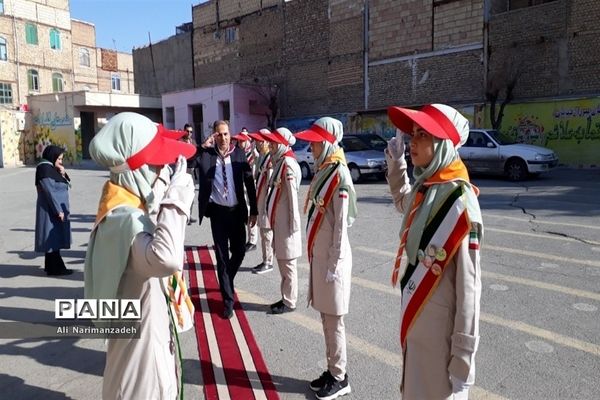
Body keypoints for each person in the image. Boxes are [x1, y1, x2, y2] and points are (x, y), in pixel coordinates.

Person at [84, 112, 196, 400]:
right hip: (141, 378)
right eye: (156, 164)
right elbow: (166, 258)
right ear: (136, 169)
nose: (162, 169)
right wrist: (176, 199)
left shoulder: (126, 204)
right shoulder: (124, 221)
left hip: (149, 353)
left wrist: (157, 197)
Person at [385, 104, 483, 400]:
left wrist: (463, 361)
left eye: (423, 134)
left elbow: (470, 290)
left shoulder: (460, 202)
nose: (413, 140)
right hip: (418, 327)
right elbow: (404, 203)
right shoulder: (426, 187)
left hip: (442, 342)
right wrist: (397, 164)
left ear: (442, 144)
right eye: (413, 133)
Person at [294, 118, 357, 400]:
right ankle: (333, 369)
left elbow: (342, 225)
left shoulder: (339, 174)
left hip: (334, 261)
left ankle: (340, 377)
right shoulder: (324, 170)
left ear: (328, 141)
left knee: (334, 321)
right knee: (326, 319)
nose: (311, 145)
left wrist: (333, 265)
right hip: (322, 259)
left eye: (315, 140)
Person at [193, 120, 258, 319]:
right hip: (218, 214)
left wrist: (253, 210)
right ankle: (227, 301)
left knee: (239, 251)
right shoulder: (206, 155)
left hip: (237, 212)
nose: (223, 138)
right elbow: (186, 162)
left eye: (226, 134)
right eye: (219, 134)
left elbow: (249, 182)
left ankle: (226, 279)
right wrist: (200, 147)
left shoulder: (238, 154)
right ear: (214, 136)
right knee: (221, 259)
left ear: (231, 134)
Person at [261, 127, 302, 314]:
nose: (271, 144)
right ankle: (286, 297)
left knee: (288, 264)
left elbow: (293, 196)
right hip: (280, 222)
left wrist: (293, 224)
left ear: (283, 143)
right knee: (283, 264)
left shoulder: (288, 163)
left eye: (274, 141)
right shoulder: (280, 161)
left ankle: (290, 301)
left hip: (287, 224)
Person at [35, 145, 73, 276]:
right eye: (59, 159)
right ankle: (56, 268)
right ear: (52, 156)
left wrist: (62, 172)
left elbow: (66, 183)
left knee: (53, 240)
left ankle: (52, 267)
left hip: (54, 209)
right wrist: (58, 210)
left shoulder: (51, 168)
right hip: (50, 210)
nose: (61, 161)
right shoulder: (44, 169)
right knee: (52, 240)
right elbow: (49, 192)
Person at [248, 129, 275, 274]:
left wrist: (267, 205)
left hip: (266, 203)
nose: (257, 143)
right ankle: (265, 259)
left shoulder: (270, 159)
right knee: (263, 233)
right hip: (261, 200)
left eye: (259, 141)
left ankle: (268, 262)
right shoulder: (263, 156)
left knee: (266, 234)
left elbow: (270, 184)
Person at [232, 128, 259, 251]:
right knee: (244, 213)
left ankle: (253, 240)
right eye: (238, 141)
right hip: (242, 186)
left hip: (251, 186)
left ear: (247, 142)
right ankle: (248, 239)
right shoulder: (239, 153)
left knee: (251, 213)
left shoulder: (253, 155)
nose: (239, 143)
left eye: (242, 141)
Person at [182, 123, 198, 225]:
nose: (189, 133)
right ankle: (184, 216)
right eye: (187, 131)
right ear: (184, 131)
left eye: (191, 131)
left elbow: (196, 153)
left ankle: (189, 214)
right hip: (184, 170)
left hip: (193, 170)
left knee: (192, 194)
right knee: (184, 194)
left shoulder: (193, 142)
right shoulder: (181, 142)